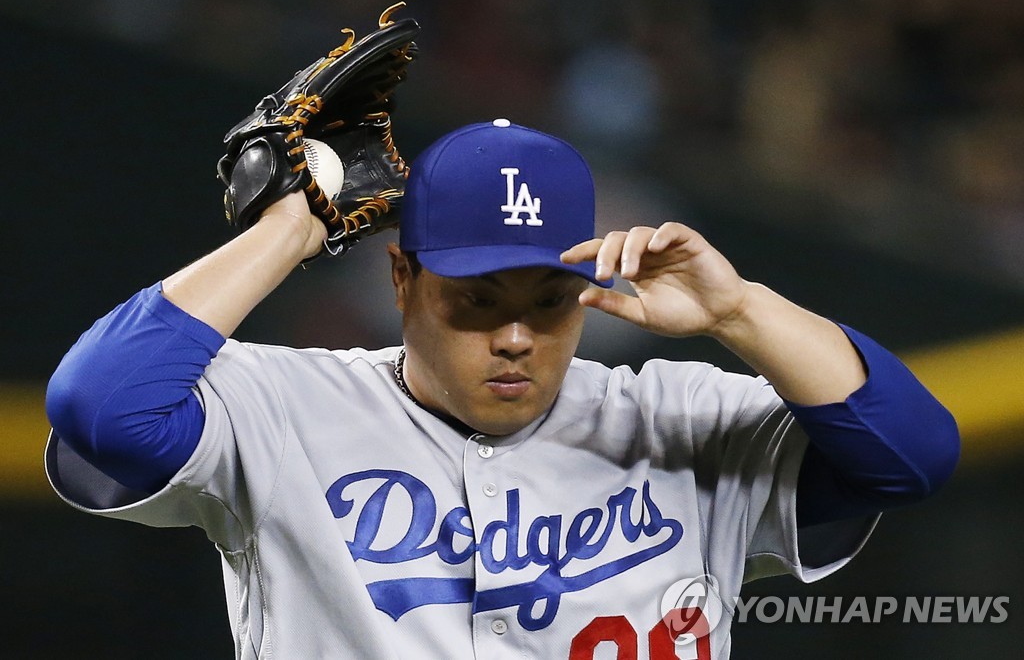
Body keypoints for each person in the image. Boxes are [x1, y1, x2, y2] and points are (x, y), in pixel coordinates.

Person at [45, 119, 959, 659]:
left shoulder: (682, 419)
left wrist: (742, 311)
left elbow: (914, 456)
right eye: (478, 301)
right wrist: (291, 229)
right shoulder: (286, 407)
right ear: (402, 280)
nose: (516, 336)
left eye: (548, 302)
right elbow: (100, 409)